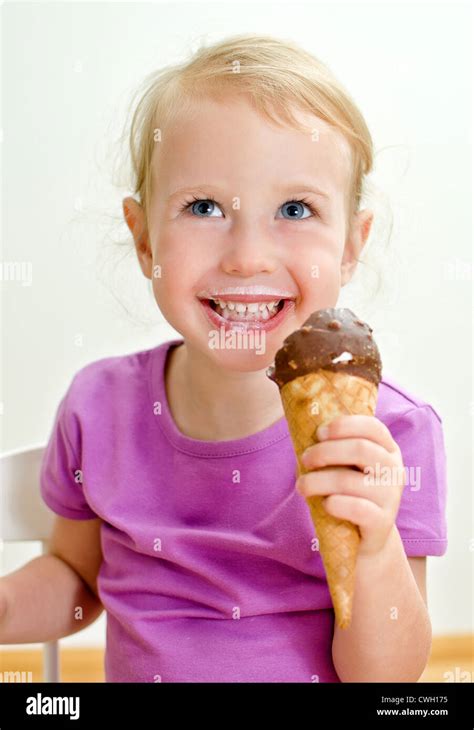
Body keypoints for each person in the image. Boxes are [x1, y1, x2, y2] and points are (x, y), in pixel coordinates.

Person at [0, 34, 447, 682]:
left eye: (295, 209)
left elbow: (386, 679)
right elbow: (76, 578)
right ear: (144, 236)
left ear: (352, 246)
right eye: (204, 207)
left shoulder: (390, 438)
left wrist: (374, 549)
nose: (247, 256)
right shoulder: (99, 408)